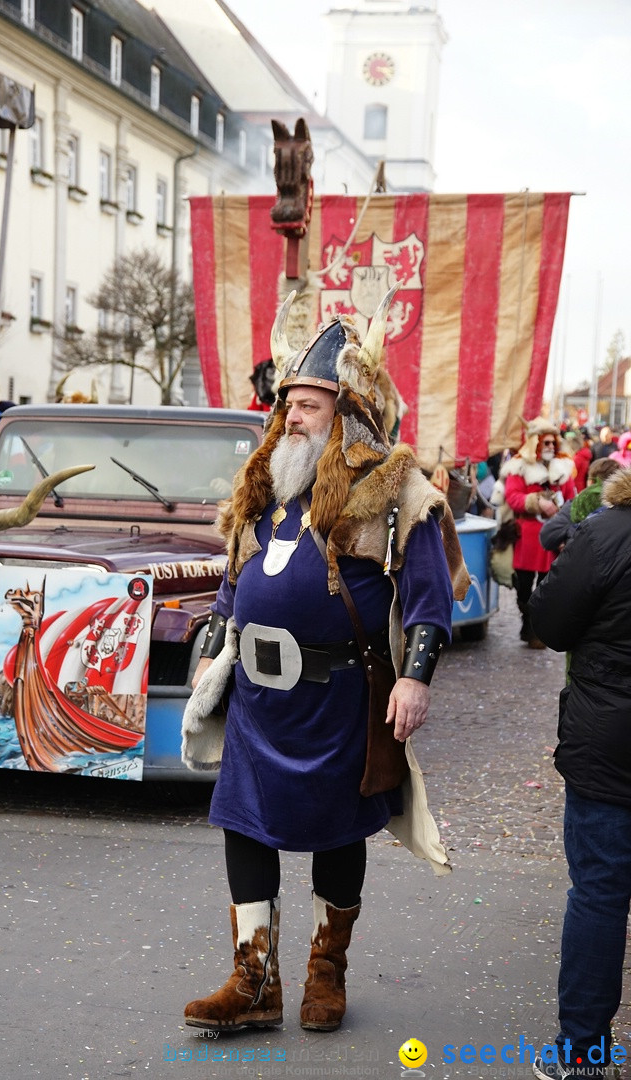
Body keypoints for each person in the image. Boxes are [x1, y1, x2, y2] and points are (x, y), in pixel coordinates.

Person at [180, 289, 470, 1034]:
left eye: (309, 404)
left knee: (340, 834)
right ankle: (254, 983)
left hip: (341, 695)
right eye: (290, 403)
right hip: (258, 697)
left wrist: (416, 677)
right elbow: (236, 577)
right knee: (245, 826)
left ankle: (324, 974)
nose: (292, 416)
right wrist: (216, 638)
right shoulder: (263, 487)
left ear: (344, 414)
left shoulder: (395, 489)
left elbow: (430, 596)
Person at [527, 465, 631, 1079]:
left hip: (609, 742)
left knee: (599, 891)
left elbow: (551, 623)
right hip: (609, 738)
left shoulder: (605, 532)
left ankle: (584, 1054)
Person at [497, 418, 576, 648]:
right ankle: (526, 621)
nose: (551, 447)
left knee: (546, 587)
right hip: (527, 537)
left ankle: (536, 630)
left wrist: (564, 513)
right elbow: (513, 497)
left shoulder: (563, 468)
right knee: (524, 587)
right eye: (546, 442)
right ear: (536, 443)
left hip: (553, 538)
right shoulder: (519, 467)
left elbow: (572, 497)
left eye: (554, 442)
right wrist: (536, 502)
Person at [539, 458, 621, 554]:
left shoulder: (579, 505)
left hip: (584, 564)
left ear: (590, 482)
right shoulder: (625, 506)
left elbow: (547, 537)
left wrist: (569, 534)